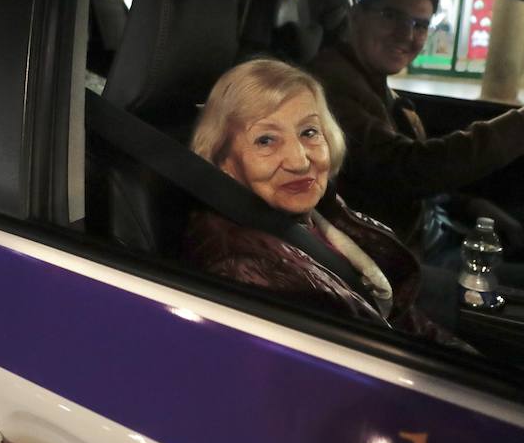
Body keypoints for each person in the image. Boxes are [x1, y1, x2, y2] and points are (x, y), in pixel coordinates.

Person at [310, 0, 524, 251]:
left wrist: (466, 204)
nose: (405, 35)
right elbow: (404, 169)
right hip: (389, 262)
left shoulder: (368, 79)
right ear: (356, 16)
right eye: (391, 16)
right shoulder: (326, 86)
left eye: (420, 25)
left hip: (421, 230)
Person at [183, 58, 457, 341]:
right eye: (266, 140)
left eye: (309, 132)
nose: (300, 162)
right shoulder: (244, 268)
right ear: (223, 160)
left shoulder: (317, 211)